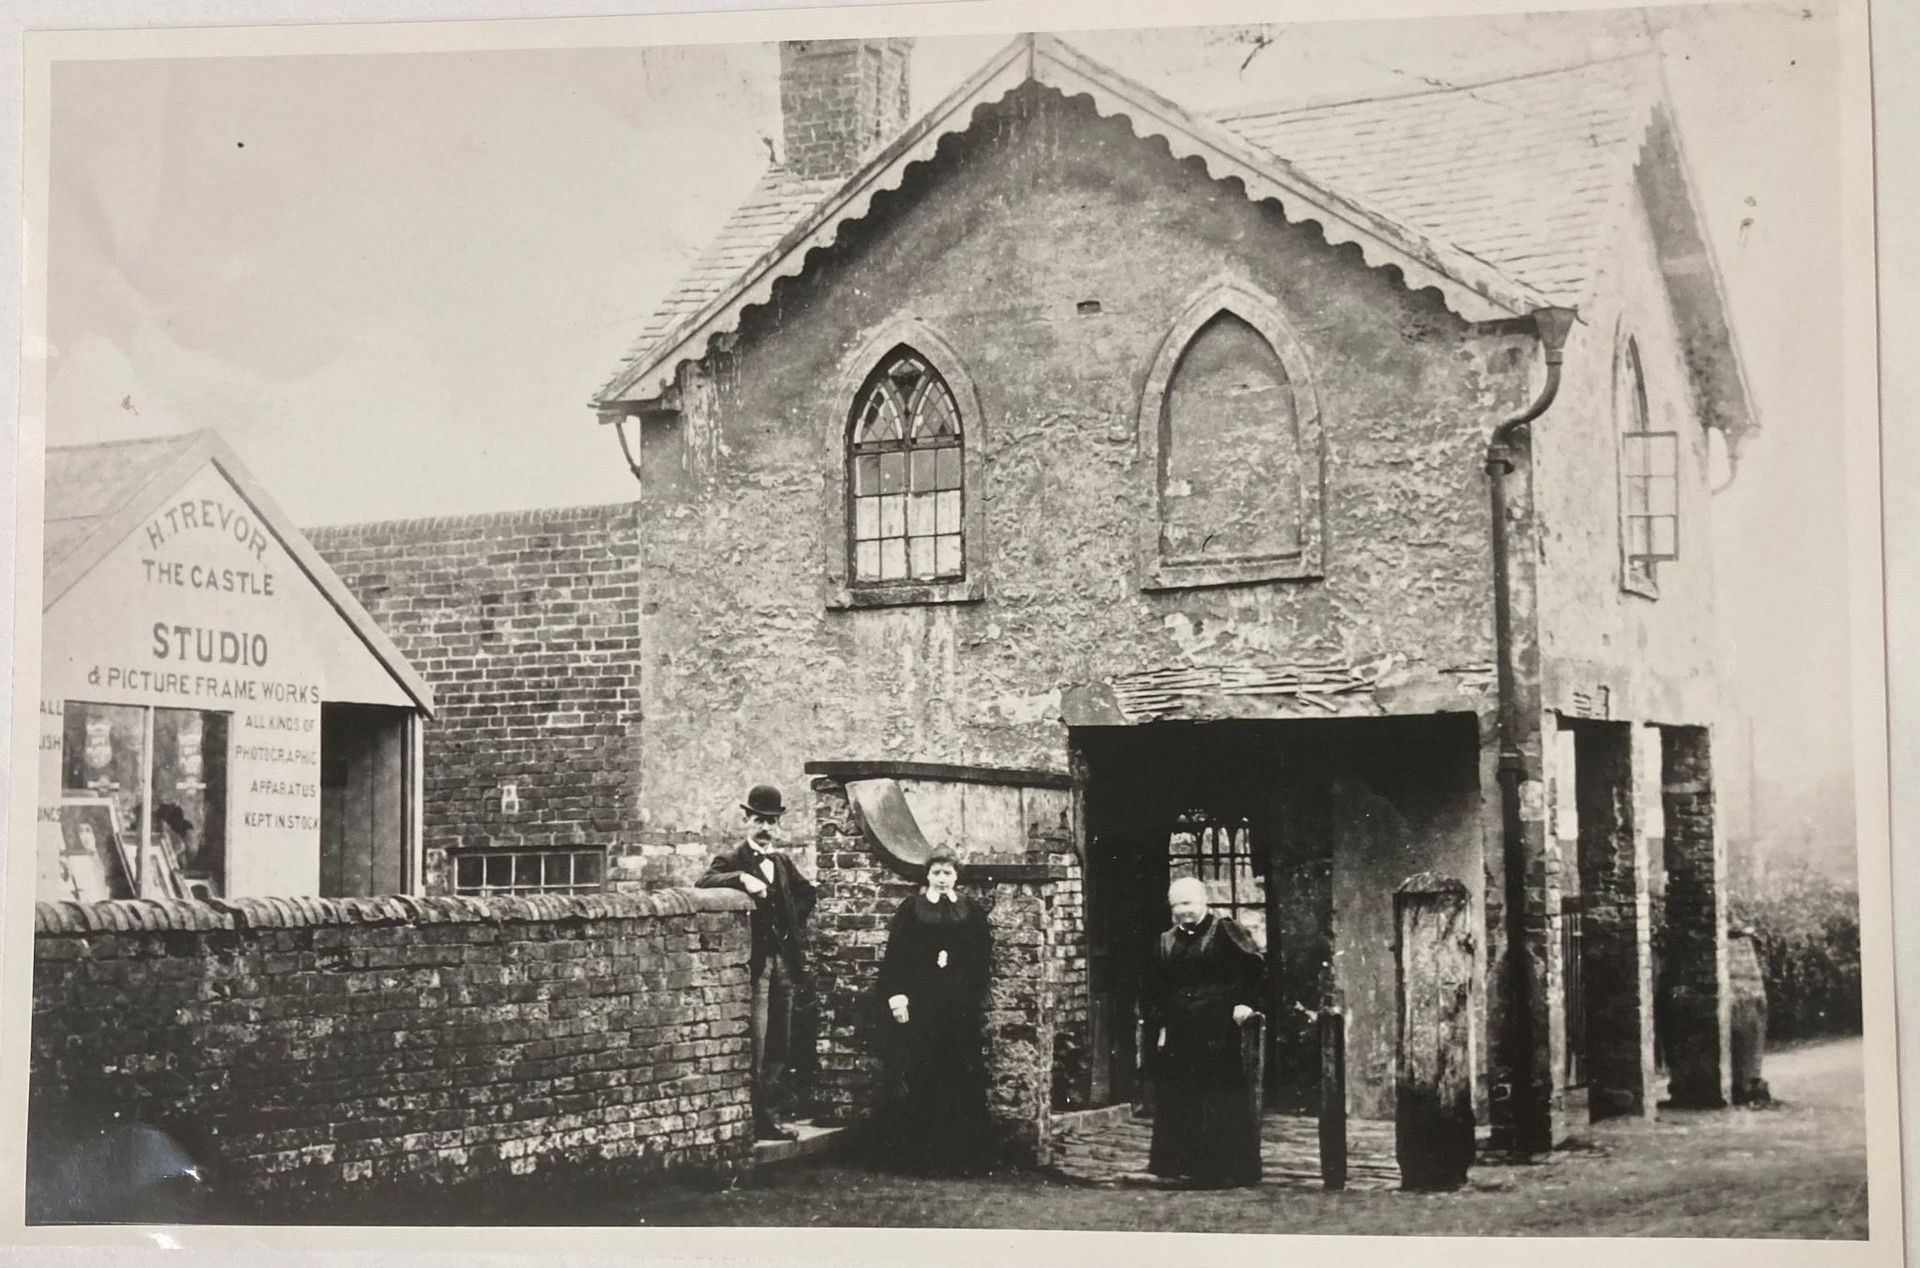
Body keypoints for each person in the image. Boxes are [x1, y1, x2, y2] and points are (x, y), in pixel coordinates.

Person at [697, 783, 817, 1141]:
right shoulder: (733, 860)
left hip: (784, 963)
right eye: (759, 820)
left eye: (772, 822)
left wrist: (790, 923)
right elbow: (703, 882)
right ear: (747, 820)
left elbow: (807, 893)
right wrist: (742, 879)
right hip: (757, 963)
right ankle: (755, 1118)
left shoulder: (780, 861)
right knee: (759, 1042)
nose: (766, 828)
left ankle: (770, 1113)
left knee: (782, 1039)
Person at [1141, 875, 1267, 1188]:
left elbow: (1255, 969)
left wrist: (1245, 1004)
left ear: (1203, 902)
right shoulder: (1165, 941)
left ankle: (1224, 1169)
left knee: (1217, 1097)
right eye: (1176, 906)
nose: (1183, 911)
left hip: (1217, 1030)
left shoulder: (1224, 931)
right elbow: (1156, 988)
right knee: (1181, 1096)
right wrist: (1158, 1025)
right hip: (1181, 1031)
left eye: (1188, 903)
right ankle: (1184, 1166)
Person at [876, 848, 996, 1175]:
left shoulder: (969, 912)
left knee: (960, 1074)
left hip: (957, 1008)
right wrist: (898, 998)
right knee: (923, 1073)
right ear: (927, 875)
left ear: (956, 876)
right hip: (922, 1005)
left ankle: (962, 1159)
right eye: (937, 873)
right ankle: (922, 1159)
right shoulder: (912, 911)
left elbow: (981, 957)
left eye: (948, 873)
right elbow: (897, 956)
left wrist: (968, 990)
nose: (942, 879)